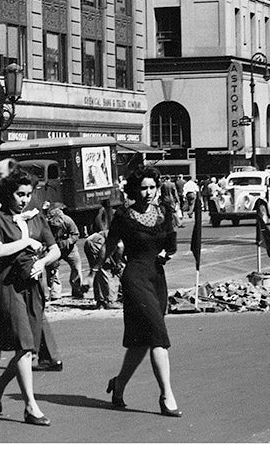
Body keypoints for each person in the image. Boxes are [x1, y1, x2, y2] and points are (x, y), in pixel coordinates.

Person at [0, 169, 61, 425]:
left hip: (34, 287)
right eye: (19, 194)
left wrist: (44, 262)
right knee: (25, 347)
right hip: (9, 287)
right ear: (8, 193)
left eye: (28, 194)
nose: (25, 199)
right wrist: (26, 241)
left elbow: (55, 249)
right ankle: (31, 407)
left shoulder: (37, 218)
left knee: (26, 350)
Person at [101, 165, 182, 417]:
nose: (148, 192)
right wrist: (97, 269)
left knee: (140, 343)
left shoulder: (164, 213)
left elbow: (171, 245)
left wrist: (166, 254)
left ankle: (119, 384)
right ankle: (167, 395)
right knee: (158, 336)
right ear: (135, 190)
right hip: (135, 279)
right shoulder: (124, 217)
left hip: (157, 278)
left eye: (152, 188)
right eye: (143, 188)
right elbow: (109, 245)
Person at [44, 203, 85, 300]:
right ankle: (55, 294)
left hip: (70, 249)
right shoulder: (46, 224)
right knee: (52, 270)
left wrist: (67, 242)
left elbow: (75, 234)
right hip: (54, 248)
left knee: (76, 268)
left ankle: (77, 291)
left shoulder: (68, 221)